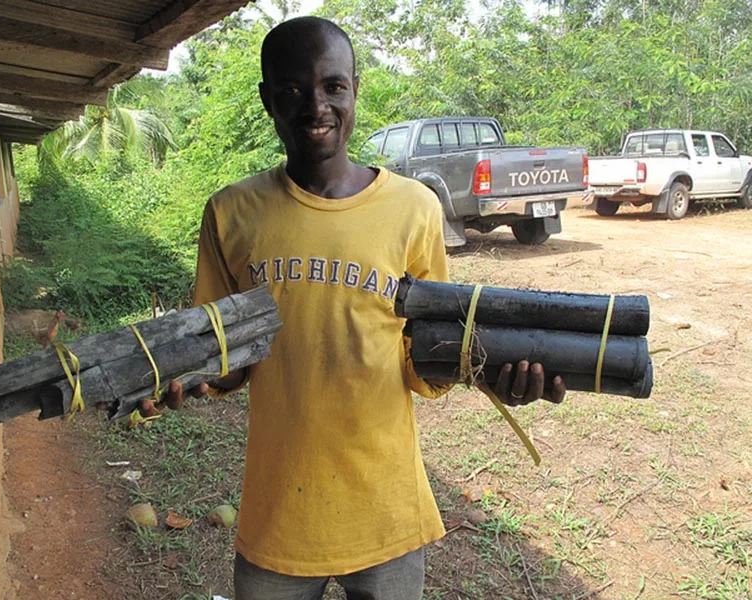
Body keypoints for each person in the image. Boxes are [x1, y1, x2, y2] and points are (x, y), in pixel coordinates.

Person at [160, 16, 566, 599]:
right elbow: (225, 356)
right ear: (267, 97)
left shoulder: (414, 208)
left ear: (354, 89)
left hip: (387, 513)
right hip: (279, 516)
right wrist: (181, 378)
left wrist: (498, 374)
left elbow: (426, 357)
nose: (315, 105)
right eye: (293, 89)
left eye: (332, 86)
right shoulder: (231, 213)